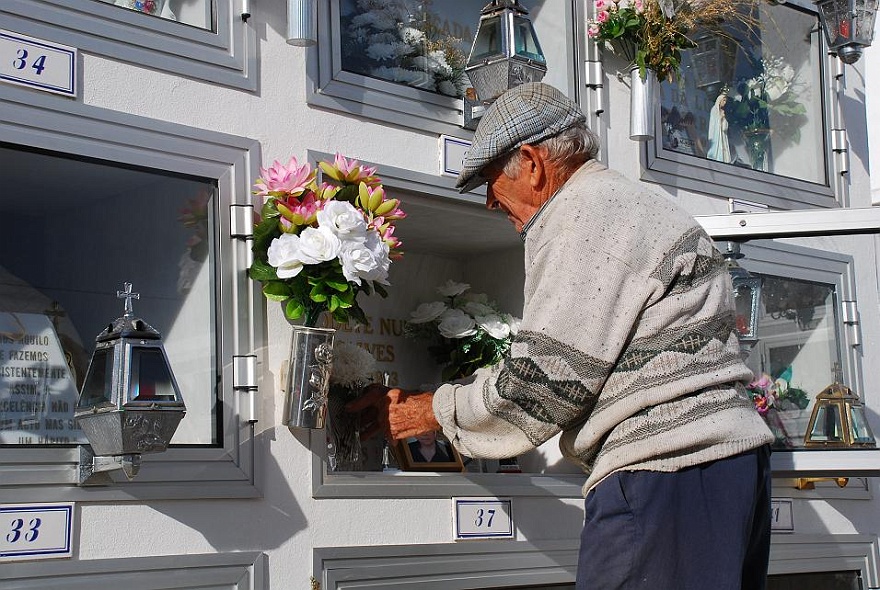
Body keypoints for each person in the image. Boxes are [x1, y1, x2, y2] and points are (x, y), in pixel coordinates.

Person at [349, 82, 774, 590]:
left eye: (489, 181)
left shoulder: (582, 214)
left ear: (531, 162)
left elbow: (548, 380)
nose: (488, 202)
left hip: (669, 472)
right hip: (725, 468)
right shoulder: (637, 200)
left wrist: (427, 411)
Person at [707, 93, 732, 163]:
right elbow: (713, 125)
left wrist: (724, 120)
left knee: (724, 148)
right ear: (719, 101)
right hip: (716, 135)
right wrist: (720, 119)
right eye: (723, 100)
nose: (725, 102)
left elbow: (725, 127)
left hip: (723, 135)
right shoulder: (714, 110)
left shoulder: (724, 112)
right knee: (718, 149)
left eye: (725, 101)